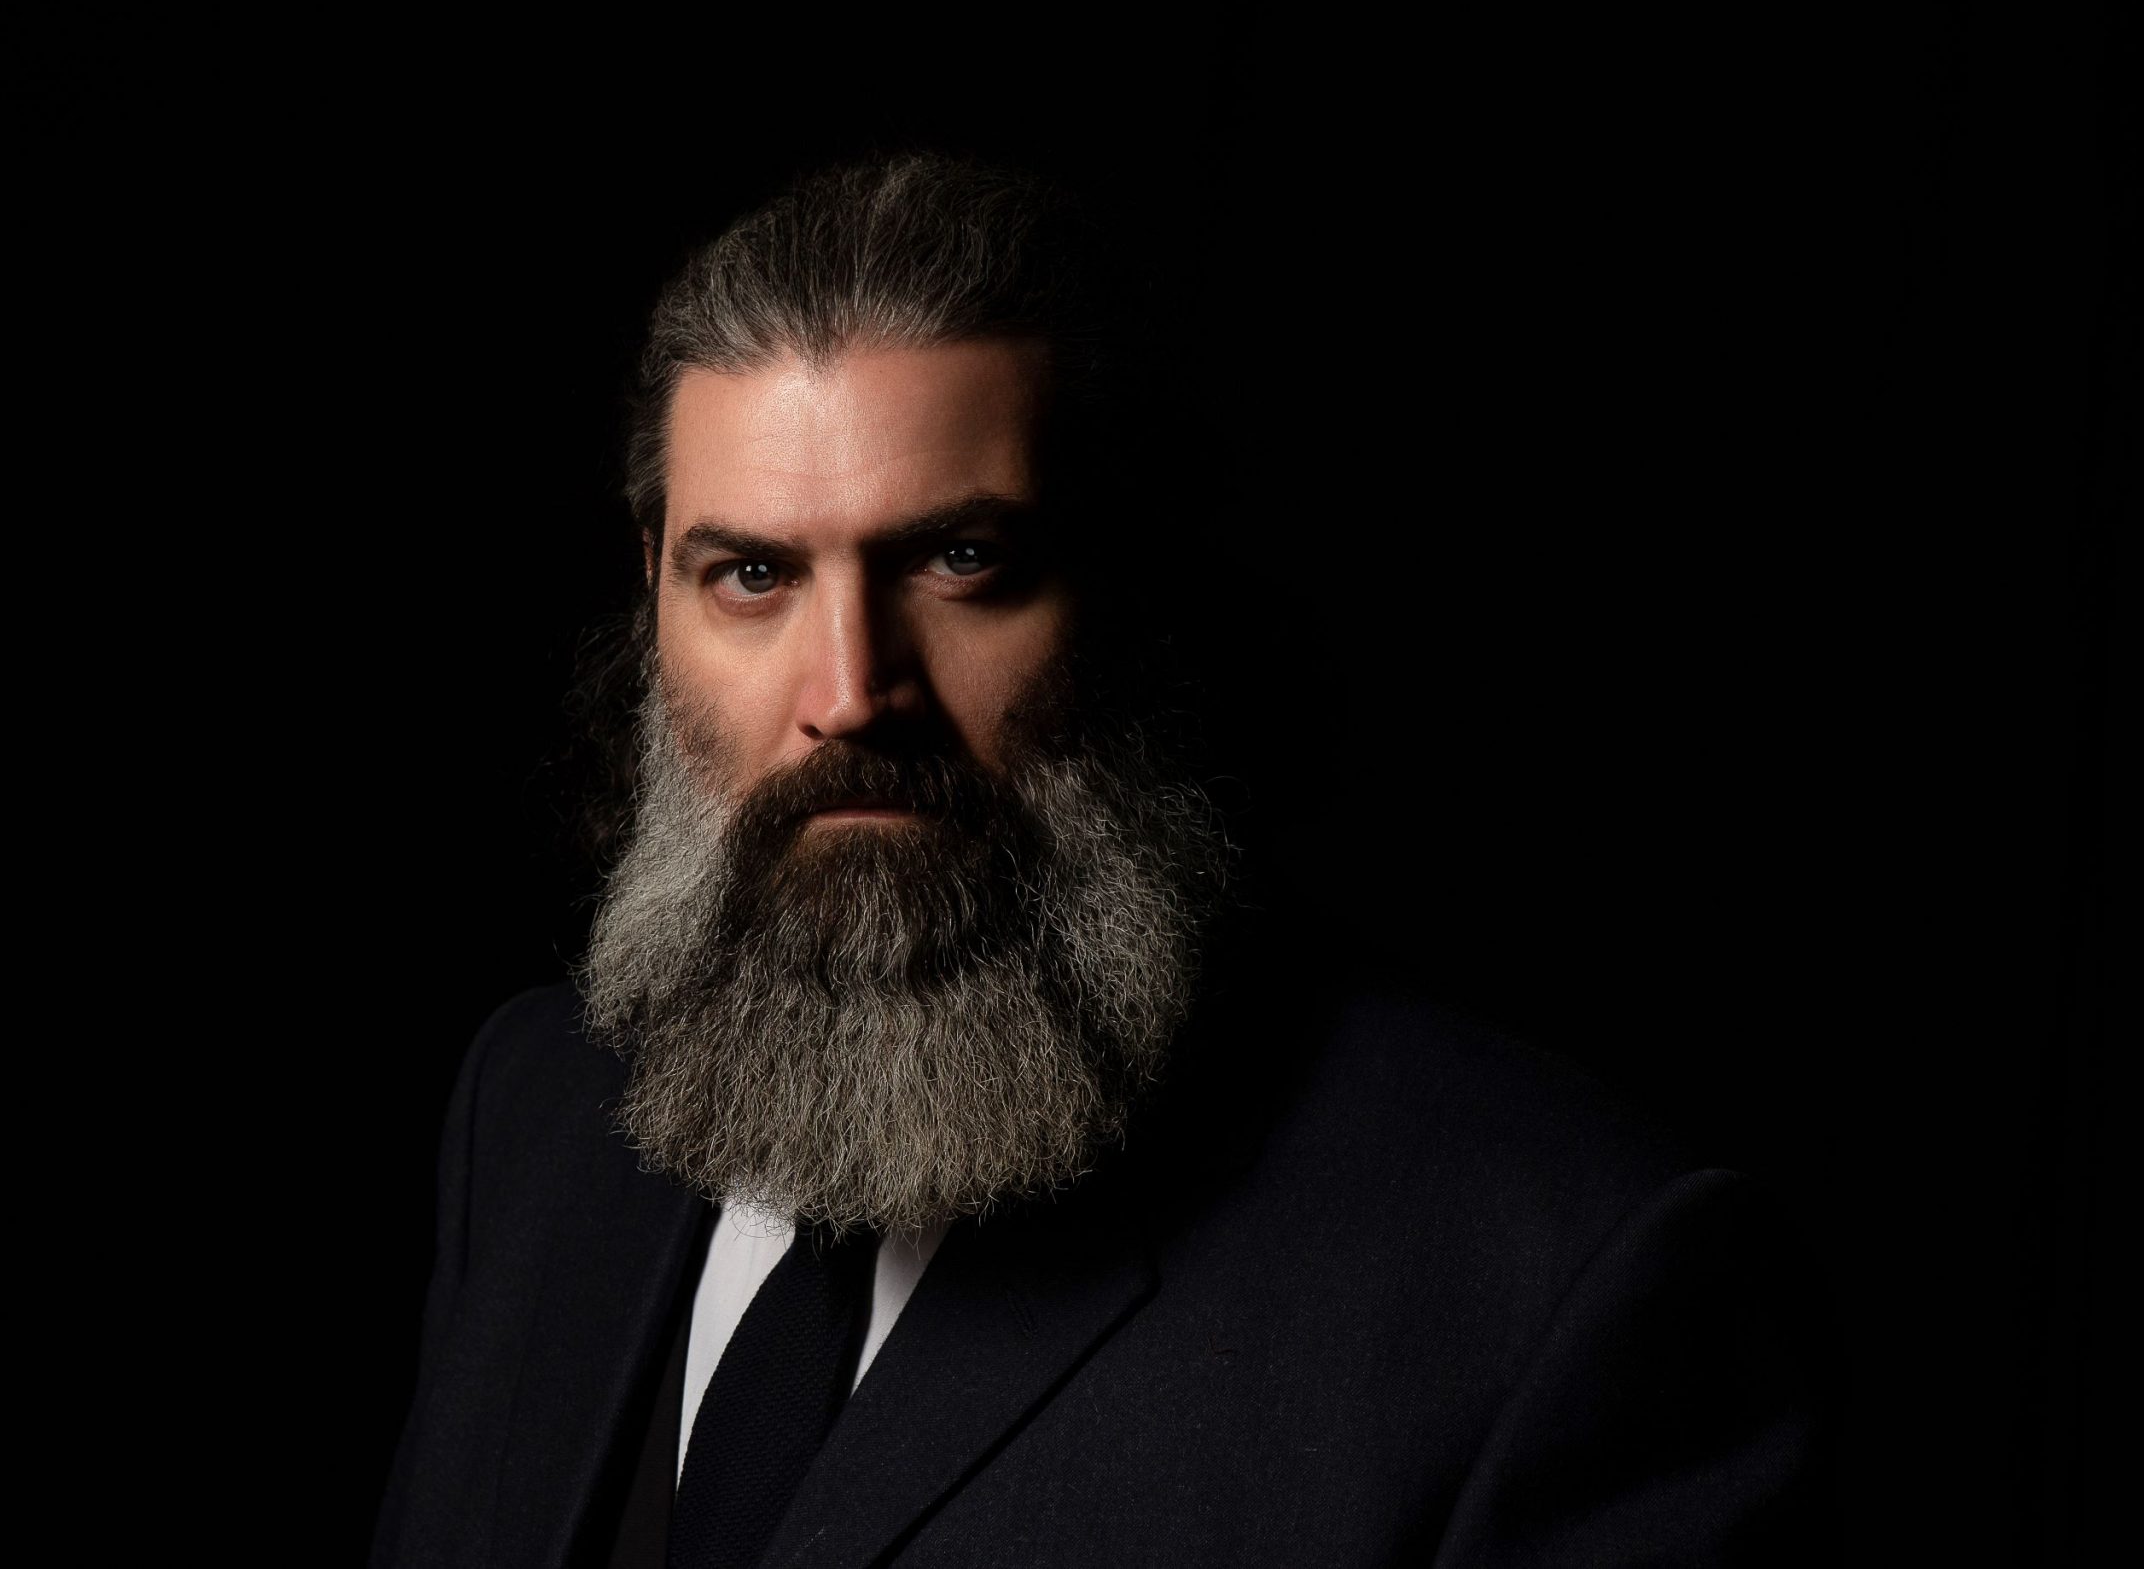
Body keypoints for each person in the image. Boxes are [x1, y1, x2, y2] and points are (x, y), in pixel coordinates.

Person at [371, 155, 1828, 1568]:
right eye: (752, 574)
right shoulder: (535, 1117)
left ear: (1122, 582)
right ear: (654, 592)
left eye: (961, 561)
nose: (851, 691)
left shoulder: (1545, 1282)